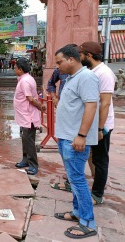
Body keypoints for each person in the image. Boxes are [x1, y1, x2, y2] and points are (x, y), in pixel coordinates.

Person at [54, 44, 99, 239]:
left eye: (59, 62)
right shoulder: (72, 78)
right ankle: (77, 212)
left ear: (71, 59)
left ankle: (88, 222)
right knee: (73, 179)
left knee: (78, 180)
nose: (58, 66)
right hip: (66, 137)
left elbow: (91, 106)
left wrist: (82, 135)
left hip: (75, 140)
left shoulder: (86, 77)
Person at [78, 41, 116, 205]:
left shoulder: (104, 73)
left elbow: (105, 103)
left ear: (89, 55)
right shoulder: (91, 71)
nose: (78, 57)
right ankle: (96, 183)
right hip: (92, 123)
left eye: (81, 54)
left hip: (102, 125)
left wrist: (101, 128)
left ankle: (97, 194)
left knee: (100, 160)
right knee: (91, 156)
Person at [13, 58, 44, 175]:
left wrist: (40, 106)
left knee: (29, 140)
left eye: (15, 68)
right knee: (25, 139)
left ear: (20, 69)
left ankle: (33, 165)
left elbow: (30, 98)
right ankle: (25, 160)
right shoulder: (24, 79)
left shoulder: (25, 81)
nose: (14, 69)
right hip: (24, 116)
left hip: (28, 116)